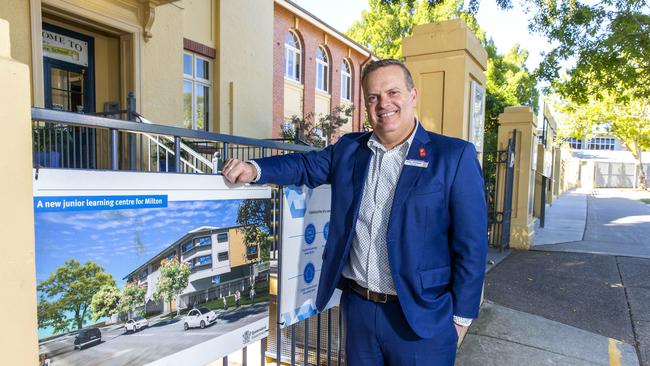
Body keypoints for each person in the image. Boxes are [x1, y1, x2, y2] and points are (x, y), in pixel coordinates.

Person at [223, 59, 487, 365]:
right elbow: (305, 166)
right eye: (373, 97)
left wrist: (460, 320)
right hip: (360, 311)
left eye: (393, 93)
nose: (383, 104)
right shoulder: (350, 149)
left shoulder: (453, 156)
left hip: (421, 319)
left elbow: (472, 246)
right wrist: (254, 168)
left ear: (413, 95)